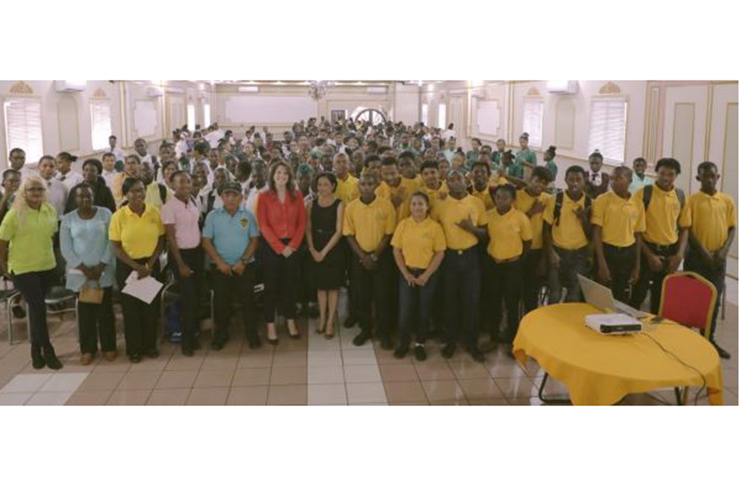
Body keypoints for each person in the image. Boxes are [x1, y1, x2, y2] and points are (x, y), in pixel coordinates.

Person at [0, 175, 62, 369]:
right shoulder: (14, 214)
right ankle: (48, 349)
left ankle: (35, 349)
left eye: (40, 189)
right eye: (32, 190)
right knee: (38, 308)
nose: (36, 193)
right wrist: (5, 268)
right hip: (22, 269)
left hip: (46, 266)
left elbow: (51, 237)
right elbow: (2, 244)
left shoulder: (50, 210)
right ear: (23, 193)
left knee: (36, 309)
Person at [679, 161, 736, 359]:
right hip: (696, 257)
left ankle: (708, 338)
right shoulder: (692, 200)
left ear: (717, 177)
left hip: (718, 259)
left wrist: (723, 252)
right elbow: (688, 228)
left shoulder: (727, 201)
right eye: (705, 176)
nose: (709, 179)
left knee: (714, 298)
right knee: (693, 298)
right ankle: (686, 339)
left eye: (712, 176)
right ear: (698, 178)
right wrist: (704, 253)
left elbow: (732, 227)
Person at [431, 170, 487, 361]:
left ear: (466, 180)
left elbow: (485, 233)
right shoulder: (440, 202)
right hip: (449, 257)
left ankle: (472, 343)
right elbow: (433, 228)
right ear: (446, 183)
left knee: (472, 300)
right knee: (450, 300)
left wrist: (471, 228)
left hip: (471, 257)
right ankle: (451, 341)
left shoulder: (476, 202)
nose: (455, 182)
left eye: (459, 178)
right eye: (451, 180)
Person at [109, 177, 166, 363]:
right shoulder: (119, 216)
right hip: (128, 267)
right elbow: (115, 247)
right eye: (133, 191)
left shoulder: (153, 212)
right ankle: (134, 349)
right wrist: (136, 267)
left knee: (150, 309)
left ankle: (150, 346)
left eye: (141, 190)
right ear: (126, 194)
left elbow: (161, 240)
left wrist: (148, 265)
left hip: (150, 265)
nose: (138, 194)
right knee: (131, 311)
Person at [60, 184, 116, 364]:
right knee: (85, 314)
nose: (86, 199)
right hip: (80, 274)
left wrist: (101, 265)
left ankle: (109, 347)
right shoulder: (68, 219)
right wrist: (85, 269)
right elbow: (66, 248)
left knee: (106, 312)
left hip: (103, 271)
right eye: (81, 196)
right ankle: (88, 350)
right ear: (75, 199)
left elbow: (112, 241)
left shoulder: (106, 213)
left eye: (89, 196)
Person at [202, 181, 261, 350]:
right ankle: (221, 333)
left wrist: (242, 262)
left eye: (234, 195)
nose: (230, 198)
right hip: (221, 267)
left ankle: (252, 334)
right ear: (221, 197)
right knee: (221, 302)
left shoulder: (248, 215)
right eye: (227, 194)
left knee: (248, 300)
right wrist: (220, 263)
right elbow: (206, 241)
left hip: (245, 266)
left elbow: (254, 240)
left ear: (241, 197)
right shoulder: (213, 216)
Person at [343, 172, 396, 348]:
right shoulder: (351, 207)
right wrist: (363, 256)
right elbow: (349, 235)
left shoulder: (386, 206)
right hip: (359, 259)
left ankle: (383, 332)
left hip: (381, 258)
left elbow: (388, 234)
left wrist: (374, 256)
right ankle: (365, 329)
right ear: (358, 187)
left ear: (376, 186)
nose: (366, 187)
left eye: (370, 184)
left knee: (382, 297)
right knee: (362, 296)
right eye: (363, 184)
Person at [391, 192, 446, 361]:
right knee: (406, 310)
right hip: (407, 272)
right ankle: (404, 343)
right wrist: (405, 273)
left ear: (427, 206)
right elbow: (396, 250)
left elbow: (440, 253)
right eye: (414, 204)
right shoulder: (403, 225)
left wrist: (426, 275)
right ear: (410, 206)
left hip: (427, 274)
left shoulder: (434, 227)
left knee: (424, 310)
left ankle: (420, 344)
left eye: (421, 204)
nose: (417, 207)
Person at [629, 158, 688, 314]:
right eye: (662, 173)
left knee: (661, 297)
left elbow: (684, 228)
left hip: (671, 252)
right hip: (646, 249)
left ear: (676, 176)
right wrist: (649, 256)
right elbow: (635, 230)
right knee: (638, 294)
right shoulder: (644, 193)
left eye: (671, 174)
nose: (666, 178)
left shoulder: (680, 196)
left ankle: (655, 332)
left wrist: (679, 255)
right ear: (656, 173)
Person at [257, 161, 307, 344]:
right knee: (271, 287)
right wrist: (279, 247)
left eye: (285, 173)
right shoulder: (263, 196)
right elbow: (263, 224)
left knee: (290, 286)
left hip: (292, 246)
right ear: (272, 175)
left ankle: (290, 320)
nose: (281, 175)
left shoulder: (297, 195)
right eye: (278, 172)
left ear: (289, 176)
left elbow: (302, 223)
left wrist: (292, 246)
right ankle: (270, 324)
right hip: (271, 247)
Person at [162, 171, 205, 355]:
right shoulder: (169, 207)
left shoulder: (193, 201)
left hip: (196, 254)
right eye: (181, 183)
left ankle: (193, 335)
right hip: (181, 256)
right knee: (188, 299)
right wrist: (180, 264)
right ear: (172, 185)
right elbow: (171, 238)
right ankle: (186, 341)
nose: (186, 185)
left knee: (197, 298)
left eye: (188, 181)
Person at [485, 184, 532, 347]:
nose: (500, 200)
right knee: (493, 301)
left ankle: (513, 341)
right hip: (493, 265)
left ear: (513, 199)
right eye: (497, 197)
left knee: (512, 304)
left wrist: (517, 259)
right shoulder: (488, 215)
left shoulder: (520, 217)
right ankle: (493, 337)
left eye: (505, 197)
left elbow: (527, 242)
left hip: (513, 266)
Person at [591, 166, 645, 305]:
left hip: (628, 253)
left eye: (619, 178)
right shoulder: (602, 200)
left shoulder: (637, 203)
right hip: (607, 251)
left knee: (621, 296)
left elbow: (638, 234)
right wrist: (602, 264)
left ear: (629, 181)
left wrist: (637, 266)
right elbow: (597, 232)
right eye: (612, 178)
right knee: (602, 295)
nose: (614, 181)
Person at [543, 165, 592, 303]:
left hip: (579, 255)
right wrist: (551, 252)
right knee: (554, 294)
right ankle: (552, 323)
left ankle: (566, 323)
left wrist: (583, 218)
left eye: (578, 179)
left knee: (574, 296)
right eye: (571, 179)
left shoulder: (589, 203)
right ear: (565, 180)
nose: (575, 183)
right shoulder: (555, 200)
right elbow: (545, 229)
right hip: (557, 252)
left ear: (584, 180)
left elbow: (591, 234)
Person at [305, 172, 345, 338]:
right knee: (321, 288)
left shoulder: (340, 204)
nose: (322, 188)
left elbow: (339, 231)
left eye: (326, 184)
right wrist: (313, 249)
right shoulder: (311, 204)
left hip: (333, 248)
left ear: (333, 186)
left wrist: (324, 252)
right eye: (319, 184)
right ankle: (322, 318)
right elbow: (308, 229)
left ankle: (330, 321)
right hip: (316, 246)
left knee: (332, 288)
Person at [515, 167, 552, 313]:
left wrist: (544, 258)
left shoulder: (548, 200)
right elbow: (511, 224)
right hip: (516, 251)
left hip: (536, 252)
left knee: (531, 294)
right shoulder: (516, 196)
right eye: (537, 181)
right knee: (514, 293)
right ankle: (513, 328)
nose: (540, 186)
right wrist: (531, 212)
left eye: (545, 183)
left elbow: (547, 230)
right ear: (531, 179)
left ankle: (529, 327)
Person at [376, 156, 417, 223]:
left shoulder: (413, 185)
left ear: (398, 171)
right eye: (385, 174)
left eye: (393, 173)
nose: (390, 177)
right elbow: (380, 216)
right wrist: (395, 202)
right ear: (381, 173)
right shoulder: (379, 191)